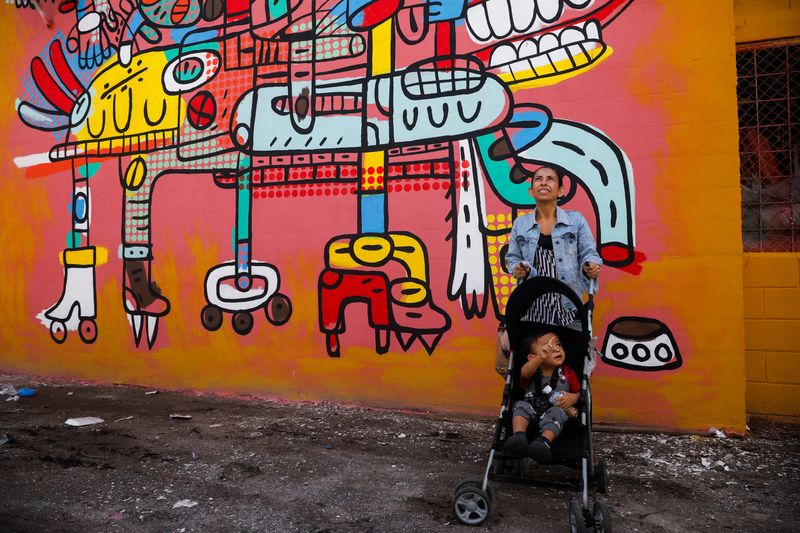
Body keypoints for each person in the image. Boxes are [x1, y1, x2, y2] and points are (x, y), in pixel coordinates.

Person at [505, 165, 601, 326]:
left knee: (569, 350)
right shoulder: (520, 224)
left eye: (550, 179)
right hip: (532, 307)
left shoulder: (576, 221)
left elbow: (589, 254)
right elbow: (513, 259)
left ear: (561, 191)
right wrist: (518, 268)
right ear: (531, 191)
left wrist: (590, 265)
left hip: (569, 306)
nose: (543, 183)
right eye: (538, 179)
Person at [503, 331, 580, 462]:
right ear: (532, 358)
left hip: (554, 412)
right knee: (520, 405)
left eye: (558, 344)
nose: (556, 348)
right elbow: (524, 373)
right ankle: (519, 437)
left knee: (557, 413)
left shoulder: (568, 373)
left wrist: (573, 398)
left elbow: (579, 393)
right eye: (548, 347)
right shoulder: (532, 371)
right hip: (531, 412)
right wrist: (540, 357)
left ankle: (543, 442)